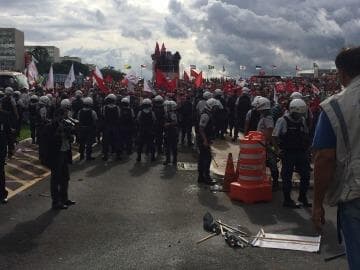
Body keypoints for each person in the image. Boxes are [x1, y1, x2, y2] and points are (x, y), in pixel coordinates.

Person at [312, 47, 360, 270]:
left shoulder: (335, 106)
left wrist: (317, 203)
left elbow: (324, 158)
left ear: (342, 73)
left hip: (355, 194)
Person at [273, 98, 311, 207]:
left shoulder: (302, 120)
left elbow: (305, 134)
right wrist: (278, 150)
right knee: (287, 176)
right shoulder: (283, 120)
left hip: (301, 152)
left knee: (305, 175)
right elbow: (274, 136)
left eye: (301, 114)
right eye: (297, 114)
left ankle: (302, 197)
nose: (299, 116)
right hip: (288, 153)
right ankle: (287, 199)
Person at [45, 99, 76, 210]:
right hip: (56, 154)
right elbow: (50, 140)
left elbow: (70, 137)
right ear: (58, 116)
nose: (66, 118)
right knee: (56, 179)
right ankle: (56, 202)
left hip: (65, 151)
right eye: (64, 116)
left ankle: (64, 198)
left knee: (65, 177)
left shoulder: (65, 124)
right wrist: (60, 132)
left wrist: (70, 134)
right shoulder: (51, 126)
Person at [256, 97, 279, 190]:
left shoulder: (268, 118)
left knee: (271, 163)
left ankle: (276, 183)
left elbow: (270, 131)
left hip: (266, 144)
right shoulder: (264, 117)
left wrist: (268, 144)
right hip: (262, 143)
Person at [197, 98, 220, 185]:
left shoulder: (208, 114)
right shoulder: (205, 115)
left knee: (203, 157)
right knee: (206, 158)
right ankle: (206, 177)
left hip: (205, 139)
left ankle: (201, 177)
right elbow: (201, 129)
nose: (216, 109)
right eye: (215, 107)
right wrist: (205, 140)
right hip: (203, 140)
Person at [102, 94, 121, 161]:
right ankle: (118, 155)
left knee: (106, 141)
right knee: (116, 141)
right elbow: (118, 116)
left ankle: (105, 155)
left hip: (107, 126)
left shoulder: (105, 107)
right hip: (115, 126)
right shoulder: (117, 107)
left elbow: (104, 116)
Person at [0, 104, 11, 203]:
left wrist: (11, 147)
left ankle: (2, 194)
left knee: (1, 172)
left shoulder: (4, 115)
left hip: (1, 147)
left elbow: (8, 132)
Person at [163, 100, 178, 165]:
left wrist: (168, 124)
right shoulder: (168, 113)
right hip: (168, 131)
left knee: (173, 147)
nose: (167, 107)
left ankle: (174, 160)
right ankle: (168, 159)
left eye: (169, 106)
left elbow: (175, 122)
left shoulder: (173, 114)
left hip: (172, 131)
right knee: (167, 147)